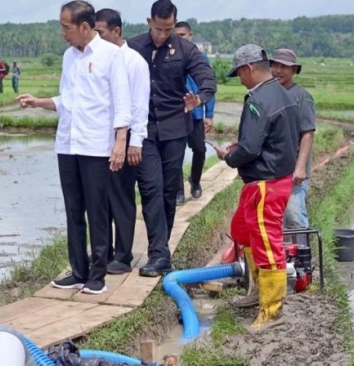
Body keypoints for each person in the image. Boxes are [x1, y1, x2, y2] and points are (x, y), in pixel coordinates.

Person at [16, 0, 131, 294]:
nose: (63, 33)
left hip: (96, 146)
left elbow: (122, 103)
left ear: (84, 26)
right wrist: (40, 102)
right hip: (68, 143)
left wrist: (120, 142)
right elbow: (67, 99)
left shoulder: (111, 55)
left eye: (66, 27)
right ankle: (78, 270)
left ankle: (97, 276)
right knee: (73, 210)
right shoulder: (69, 56)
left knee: (97, 211)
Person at [213, 44, 300, 331]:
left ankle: (272, 311)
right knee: (244, 231)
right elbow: (271, 139)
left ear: (249, 68)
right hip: (271, 179)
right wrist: (243, 148)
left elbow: (250, 147)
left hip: (267, 183)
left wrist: (230, 157)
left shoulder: (258, 100)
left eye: (239, 73)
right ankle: (257, 293)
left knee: (267, 243)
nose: (239, 79)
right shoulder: (281, 94)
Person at [128, 0, 216, 277]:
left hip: (175, 129)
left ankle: (161, 250)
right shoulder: (132, 47)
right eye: (158, 29)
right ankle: (158, 254)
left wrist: (198, 98)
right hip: (143, 131)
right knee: (150, 189)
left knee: (168, 191)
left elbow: (207, 80)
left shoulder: (186, 49)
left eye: (168, 30)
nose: (162, 34)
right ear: (149, 22)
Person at [94, 8, 149, 274]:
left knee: (121, 197)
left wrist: (135, 141)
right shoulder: (97, 58)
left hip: (123, 141)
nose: (97, 37)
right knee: (100, 198)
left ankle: (123, 255)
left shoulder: (133, 61)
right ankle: (102, 252)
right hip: (98, 141)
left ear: (116, 31)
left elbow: (139, 105)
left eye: (100, 32)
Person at [270, 49, 316, 245]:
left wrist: (300, 168)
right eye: (276, 65)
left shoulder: (301, 97)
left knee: (294, 215)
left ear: (294, 70)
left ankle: (303, 263)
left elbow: (308, 133)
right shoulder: (269, 94)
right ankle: (282, 262)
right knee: (274, 219)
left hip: (293, 171)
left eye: (284, 67)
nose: (278, 71)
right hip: (272, 168)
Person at [173, 21, 216, 205]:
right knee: (176, 153)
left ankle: (195, 180)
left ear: (190, 35)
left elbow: (209, 86)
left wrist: (209, 114)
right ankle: (178, 191)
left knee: (199, 149)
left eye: (182, 35)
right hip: (175, 114)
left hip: (196, 113)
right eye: (176, 35)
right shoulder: (169, 56)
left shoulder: (200, 57)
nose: (179, 38)